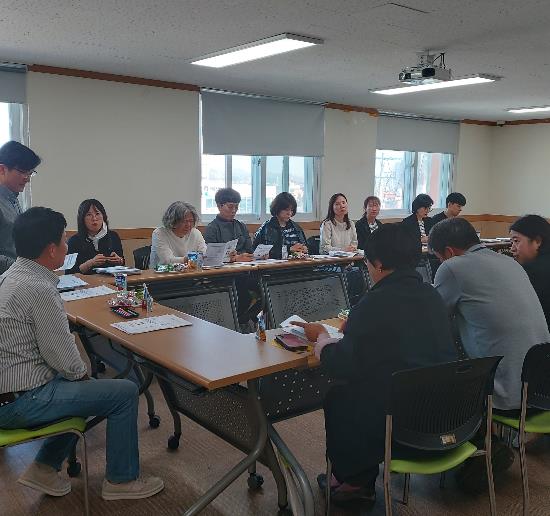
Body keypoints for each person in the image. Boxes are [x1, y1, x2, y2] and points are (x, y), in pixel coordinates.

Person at [0, 207, 164, 500]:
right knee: (123, 391)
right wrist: (84, 379)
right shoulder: (38, 288)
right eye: (64, 240)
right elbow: (63, 358)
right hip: (21, 401)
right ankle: (121, 481)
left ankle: (44, 469)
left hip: (11, 393)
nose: (67, 246)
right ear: (51, 250)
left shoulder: (12, 275)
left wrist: (82, 381)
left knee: (82, 386)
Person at [293, 224, 457, 503]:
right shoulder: (431, 295)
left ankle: (354, 480)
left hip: (401, 424)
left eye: (367, 262)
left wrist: (321, 337)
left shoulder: (374, 302)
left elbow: (341, 364)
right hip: (443, 414)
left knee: (341, 396)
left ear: (378, 264)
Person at [429, 217, 550, 411]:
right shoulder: (510, 263)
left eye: (439, 257)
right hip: (541, 390)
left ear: (449, 252)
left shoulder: (452, 266)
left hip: (504, 396)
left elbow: (433, 317)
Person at [0, 141, 41, 274]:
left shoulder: (13, 199)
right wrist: (26, 268)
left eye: (30, 173)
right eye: (23, 172)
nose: (27, 179)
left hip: (16, 276)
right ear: (2, 169)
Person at [510, 214, 550, 328]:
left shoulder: (531, 271)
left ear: (537, 241)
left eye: (516, 241)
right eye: (512, 242)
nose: (512, 248)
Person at [66, 199, 124, 274]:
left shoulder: (113, 236)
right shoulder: (74, 241)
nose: (94, 218)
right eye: (89, 215)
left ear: (103, 216)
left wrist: (119, 261)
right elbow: (69, 272)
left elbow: (122, 264)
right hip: (86, 281)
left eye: (97, 214)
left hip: (110, 279)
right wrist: (90, 263)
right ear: (82, 219)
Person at [150, 201, 206, 268]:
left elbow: (204, 253)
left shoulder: (195, 233)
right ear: (173, 221)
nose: (188, 225)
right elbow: (167, 260)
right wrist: (189, 259)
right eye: (184, 221)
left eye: (191, 221)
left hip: (190, 271)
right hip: (163, 272)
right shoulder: (159, 233)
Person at [203, 187, 253, 261]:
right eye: (230, 207)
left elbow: (250, 250)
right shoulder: (212, 228)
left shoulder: (241, 226)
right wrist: (234, 258)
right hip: (222, 267)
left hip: (245, 265)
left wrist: (257, 256)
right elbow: (211, 256)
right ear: (219, 206)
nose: (234, 210)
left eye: (236, 207)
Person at [253, 192, 308, 259]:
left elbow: (304, 246)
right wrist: (289, 249)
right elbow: (261, 253)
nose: (289, 213)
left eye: (291, 210)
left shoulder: (296, 227)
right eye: (286, 210)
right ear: (278, 208)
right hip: (276, 264)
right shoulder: (267, 228)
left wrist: (304, 249)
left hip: (296, 262)